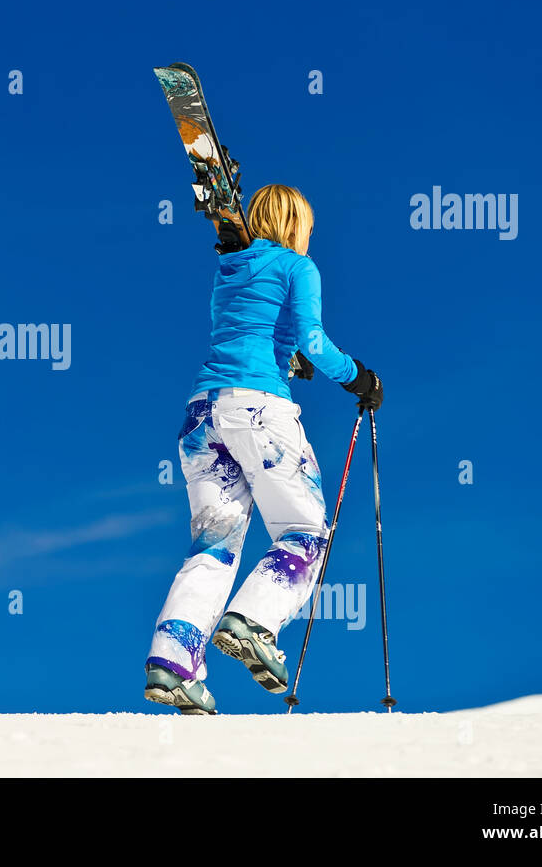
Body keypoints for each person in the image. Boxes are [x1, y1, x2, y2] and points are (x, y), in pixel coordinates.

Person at [143, 184, 383, 714]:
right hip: (259, 411)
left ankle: (173, 663)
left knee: (213, 545)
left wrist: (287, 358)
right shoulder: (300, 268)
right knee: (304, 530)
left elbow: (249, 329)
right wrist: (359, 378)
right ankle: (253, 622)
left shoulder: (230, 269)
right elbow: (313, 340)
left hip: (203, 415)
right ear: (296, 224)